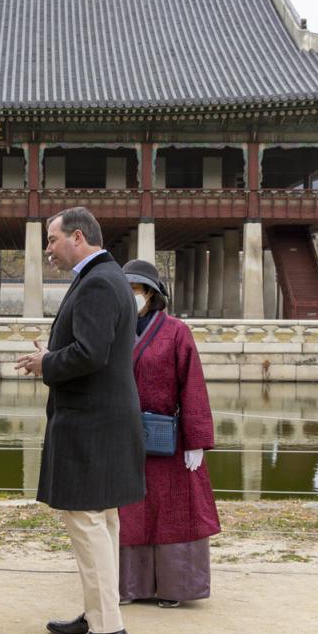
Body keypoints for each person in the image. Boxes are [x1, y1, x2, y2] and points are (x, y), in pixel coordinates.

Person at [15, 207, 145, 634]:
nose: (47, 249)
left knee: (88, 522)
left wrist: (45, 363)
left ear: (76, 236)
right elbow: (98, 348)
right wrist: (52, 354)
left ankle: (108, 629)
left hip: (91, 419)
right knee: (103, 520)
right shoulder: (108, 278)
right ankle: (99, 614)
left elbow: (90, 353)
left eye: (51, 240)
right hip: (105, 416)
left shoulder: (97, 282)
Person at [117, 259, 221, 607]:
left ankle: (175, 588)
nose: (131, 295)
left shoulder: (177, 332)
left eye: (136, 289)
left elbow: (192, 385)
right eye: (126, 289)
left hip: (169, 438)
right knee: (128, 512)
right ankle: (129, 586)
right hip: (123, 437)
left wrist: (197, 440)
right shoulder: (114, 328)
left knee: (174, 510)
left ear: (150, 293)